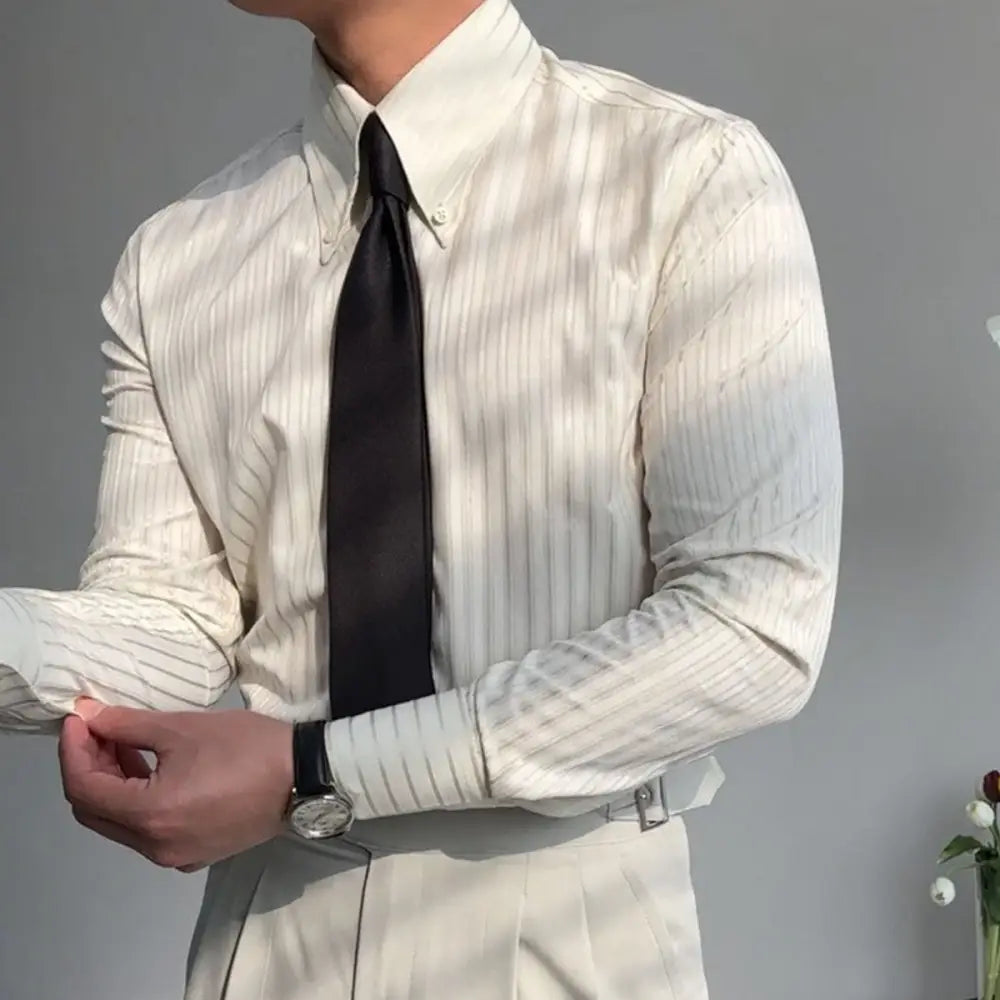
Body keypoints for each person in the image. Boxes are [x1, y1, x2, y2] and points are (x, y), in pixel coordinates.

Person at [0, 0, 843, 996]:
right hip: (272, 934)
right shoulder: (175, 260)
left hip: (565, 928)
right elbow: (172, 623)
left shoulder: (684, 180)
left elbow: (752, 624)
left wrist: (318, 768)